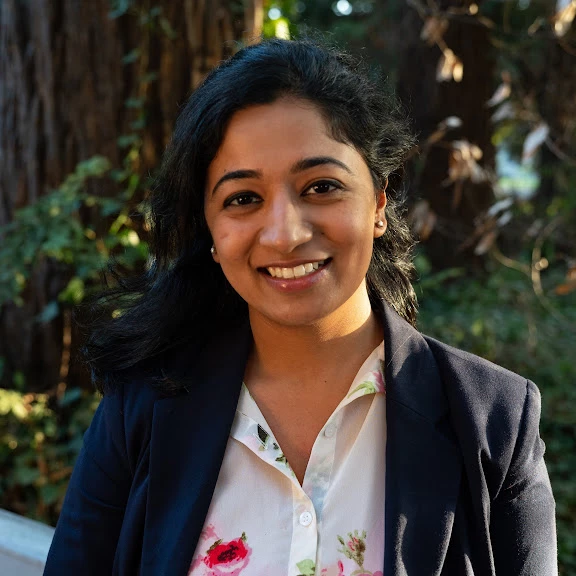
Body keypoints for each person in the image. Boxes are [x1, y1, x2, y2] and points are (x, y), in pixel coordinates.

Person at [43, 38, 557, 576]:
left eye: (321, 186)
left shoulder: (495, 421)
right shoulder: (140, 408)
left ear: (379, 202)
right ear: (210, 231)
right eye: (243, 198)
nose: (285, 234)